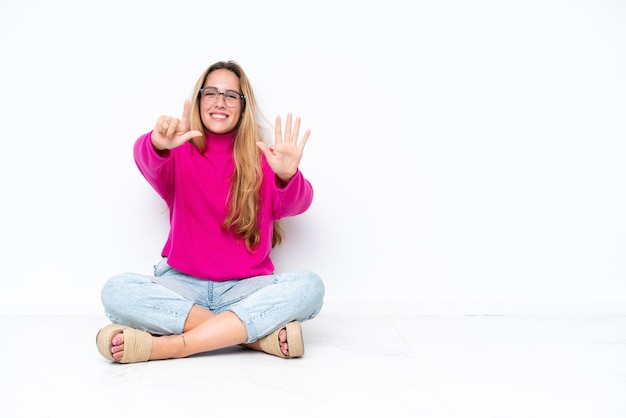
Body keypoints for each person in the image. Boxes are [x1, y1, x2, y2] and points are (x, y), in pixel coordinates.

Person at [96, 60, 325, 363]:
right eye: (211, 93)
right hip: (182, 286)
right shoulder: (179, 150)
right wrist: (157, 142)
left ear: (243, 107)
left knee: (310, 287)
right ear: (199, 100)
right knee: (117, 291)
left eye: (231, 95)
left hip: (244, 289)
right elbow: (145, 157)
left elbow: (299, 203)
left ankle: (173, 346)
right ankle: (253, 339)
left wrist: (286, 175)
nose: (220, 102)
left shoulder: (263, 159)